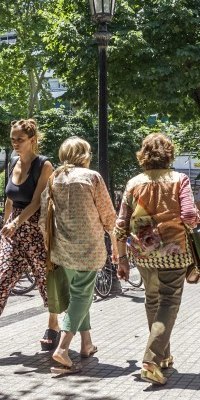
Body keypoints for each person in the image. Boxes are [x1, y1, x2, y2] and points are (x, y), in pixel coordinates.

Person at [0, 119, 56, 366]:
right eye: (13, 139)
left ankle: (54, 325)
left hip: (36, 231)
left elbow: (36, 201)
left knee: (46, 281)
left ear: (32, 139)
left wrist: (17, 223)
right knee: (1, 280)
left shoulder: (44, 165)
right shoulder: (13, 162)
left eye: (20, 139)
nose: (15, 143)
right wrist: (6, 226)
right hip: (13, 233)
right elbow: (9, 199)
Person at [114, 133, 200, 386]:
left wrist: (121, 258)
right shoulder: (179, 180)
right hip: (174, 253)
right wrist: (194, 222)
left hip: (142, 253)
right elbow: (188, 214)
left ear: (144, 154)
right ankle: (151, 360)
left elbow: (120, 224)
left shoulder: (133, 183)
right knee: (169, 301)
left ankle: (163, 356)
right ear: (169, 154)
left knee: (153, 300)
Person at [41, 137, 117, 374]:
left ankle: (87, 344)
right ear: (84, 155)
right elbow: (108, 215)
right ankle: (63, 349)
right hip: (89, 246)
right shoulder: (91, 177)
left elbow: (44, 215)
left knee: (78, 295)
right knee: (82, 296)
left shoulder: (55, 178)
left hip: (63, 248)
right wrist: (115, 245)